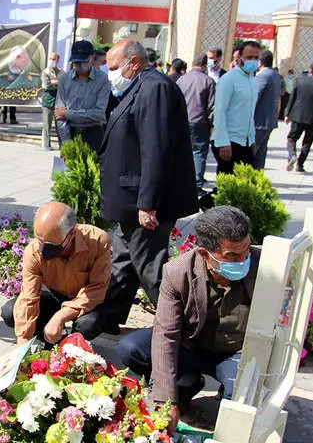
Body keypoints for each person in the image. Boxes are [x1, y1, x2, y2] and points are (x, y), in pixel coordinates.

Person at [116, 206, 259, 431]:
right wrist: (166, 400)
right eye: (232, 256)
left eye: (246, 251)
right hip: (192, 345)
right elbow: (166, 334)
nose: (242, 260)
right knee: (131, 348)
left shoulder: (263, 264)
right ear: (204, 254)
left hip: (234, 352)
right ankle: (185, 383)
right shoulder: (178, 272)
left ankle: (225, 394)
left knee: (240, 398)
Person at [94, 40, 199, 336]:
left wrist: (148, 203)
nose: (109, 73)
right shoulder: (137, 87)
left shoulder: (156, 89)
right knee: (123, 260)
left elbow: (156, 150)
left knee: (150, 268)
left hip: (145, 203)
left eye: (114, 68)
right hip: (131, 199)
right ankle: (106, 318)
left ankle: (184, 331)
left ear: (135, 62)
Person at [0, 202, 111, 344]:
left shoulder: (98, 241)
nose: (43, 249)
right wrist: (23, 340)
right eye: (39, 240)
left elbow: (96, 290)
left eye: (51, 244)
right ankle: (54, 339)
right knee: (11, 312)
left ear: (71, 235)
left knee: (89, 324)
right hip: (53, 294)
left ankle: (74, 345)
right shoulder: (33, 251)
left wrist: (60, 316)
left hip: (86, 298)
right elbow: (28, 297)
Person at [211, 40, 261, 174]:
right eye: (249, 57)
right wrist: (223, 141)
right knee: (227, 188)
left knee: (243, 187)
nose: (253, 61)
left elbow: (249, 113)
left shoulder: (252, 80)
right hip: (229, 141)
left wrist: (252, 138)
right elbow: (220, 111)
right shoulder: (229, 79)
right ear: (239, 57)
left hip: (245, 142)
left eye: (256, 58)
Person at [54, 40, 110, 151]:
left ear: (91, 58)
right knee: (65, 168)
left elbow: (99, 114)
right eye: (76, 62)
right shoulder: (65, 79)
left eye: (83, 61)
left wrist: (68, 114)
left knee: (93, 167)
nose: (79, 65)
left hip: (93, 134)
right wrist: (67, 145)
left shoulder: (102, 79)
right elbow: (59, 116)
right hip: (69, 133)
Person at [176, 53, 216, 191]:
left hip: (182, 121)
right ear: (205, 65)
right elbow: (212, 106)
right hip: (200, 122)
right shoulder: (208, 81)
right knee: (199, 153)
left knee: (182, 152)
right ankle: (196, 184)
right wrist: (212, 125)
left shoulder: (182, 80)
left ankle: (181, 181)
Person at [285, 62, 313, 172]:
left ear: (310, 69)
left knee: (292, 138)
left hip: (297, 116)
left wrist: (287, 114)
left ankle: (292, 155)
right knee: (307, 142)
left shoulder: (299, 80)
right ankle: (300, 164)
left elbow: (292, 98)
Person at [252, 50, 281, 170]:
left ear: (260, 62)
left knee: (251, 153)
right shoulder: (275, 75)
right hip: (268, 121)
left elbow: (255, 97)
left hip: (259, 121)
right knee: (260, 153)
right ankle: (257, 178)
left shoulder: (263, 76)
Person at [40, 51, 62, 145]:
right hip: (48, 100)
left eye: (53, 59)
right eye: (50, 59)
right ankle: (46, 144)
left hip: (58, 101)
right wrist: (56, 82)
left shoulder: (61, 72)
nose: (51, 61)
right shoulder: (45, 72)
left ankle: (61, 144)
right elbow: (46, 85)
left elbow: (64, 84)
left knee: (60, 124)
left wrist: (54, 82)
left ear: (58, 60)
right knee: (47, 124)